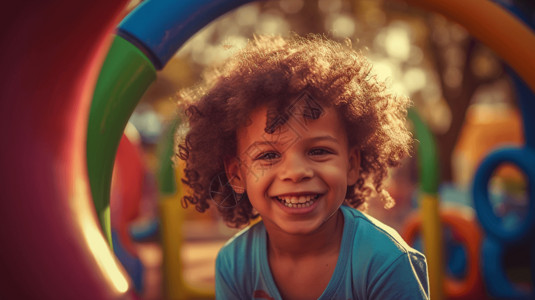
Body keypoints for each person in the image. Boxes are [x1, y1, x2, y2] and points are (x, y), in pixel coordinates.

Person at [176, 34, 429, 300]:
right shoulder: (235, 265)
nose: (296, 172)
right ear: (237, 174)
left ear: (351, 164)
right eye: (268, 155)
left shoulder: (385, 262)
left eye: (319, 151)